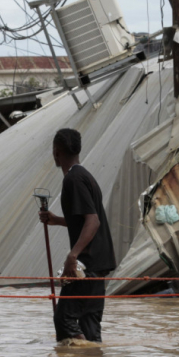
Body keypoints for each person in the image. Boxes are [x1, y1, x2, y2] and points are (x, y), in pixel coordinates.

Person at [39, 128, 116, 343]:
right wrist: (57, 220)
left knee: (64, 320)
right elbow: (84, 221)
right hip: (98, 266)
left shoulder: (73, 179)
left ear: (56, 152)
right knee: (90, 327)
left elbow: (93, 221)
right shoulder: (86, 176)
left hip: (87, 265)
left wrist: (72, 256)